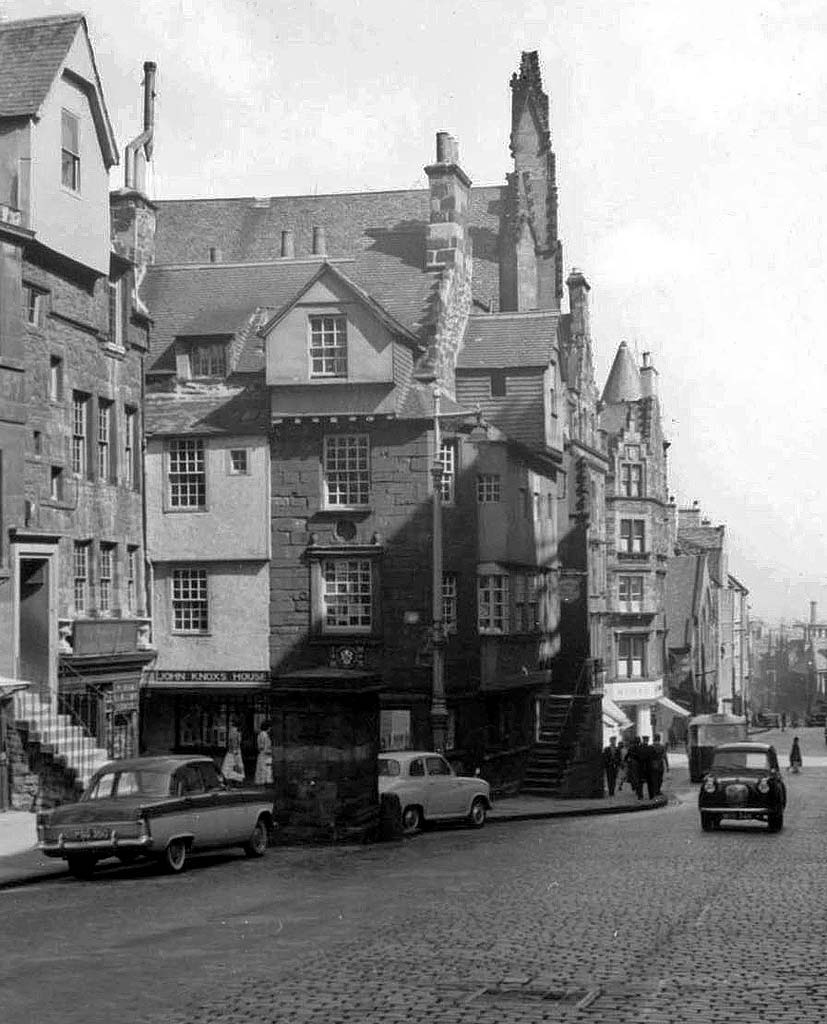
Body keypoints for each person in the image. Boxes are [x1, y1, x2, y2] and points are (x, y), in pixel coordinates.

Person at [221, 716, 245, 783]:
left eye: (231, 721)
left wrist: (234, 751)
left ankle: (230, 780)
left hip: (232, 752)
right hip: (236, 751)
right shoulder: (237, 731)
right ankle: (237, 780)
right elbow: (236, 742)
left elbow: (233, 741)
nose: (229, 723)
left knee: (228, 767)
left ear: (233, 723)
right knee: (237, 766)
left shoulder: (233, 730)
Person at [255, 720, 273, 784]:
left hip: (261, 754)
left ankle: (262, 781)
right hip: (266, 755)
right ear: (268, 727)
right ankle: (266, 782)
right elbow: (265, 746)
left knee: (261, 769)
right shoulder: (265, 735)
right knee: (266, 769)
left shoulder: (260, 734)